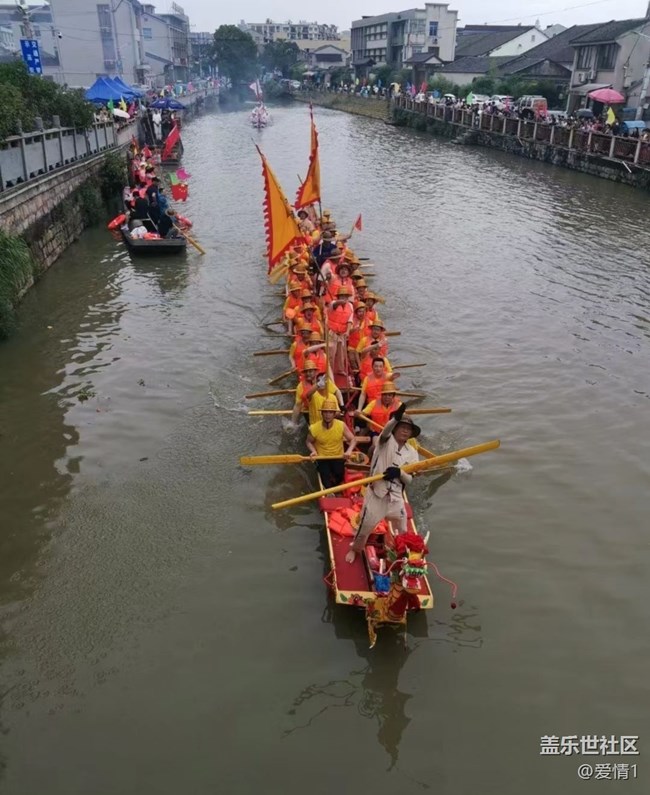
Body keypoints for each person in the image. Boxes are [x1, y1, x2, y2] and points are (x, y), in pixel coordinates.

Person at [345, 404, 420, 563]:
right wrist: (394, 419)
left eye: (408, 428)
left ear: (411, 433)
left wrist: (400, 473)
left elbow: (410, 479)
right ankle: (355, 549)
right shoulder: (384, 441)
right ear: (395, 428)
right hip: (377, 494)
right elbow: (386, 431)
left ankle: (402, 555)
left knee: (403, 529)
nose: (405, 430)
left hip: (396, 498)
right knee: (364, 528)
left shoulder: (412, 453)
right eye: (401, 426)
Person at [306, 397, 357, 488]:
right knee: (326, 481)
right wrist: (313, 451)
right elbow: (308, 442)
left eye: (330, 412)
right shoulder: (314, 428)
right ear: (322, 413)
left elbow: (353, 440)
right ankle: (329, 490)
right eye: (325, 412)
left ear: (334, 414)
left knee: (339, 476)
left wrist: (349, 451)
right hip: (322, 458)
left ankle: (334, 486)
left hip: (338, 456)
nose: (327, 415)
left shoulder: (341, 425)